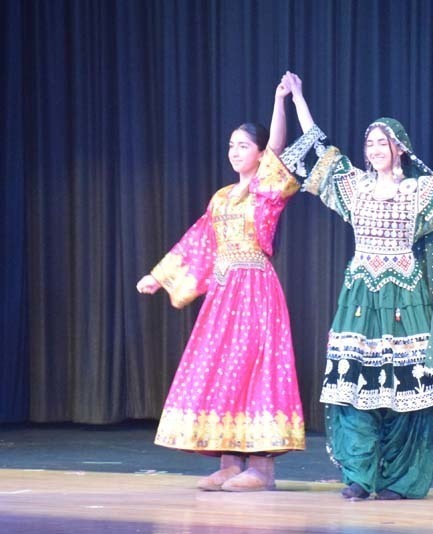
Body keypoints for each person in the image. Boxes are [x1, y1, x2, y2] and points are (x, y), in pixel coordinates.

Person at [278, 72, 433, 500]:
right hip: (360, 296)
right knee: (354, 386)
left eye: (381, 143)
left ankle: (401, 480)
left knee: (408, 392)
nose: (373, 150)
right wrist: (296, 98)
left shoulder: (420, 191)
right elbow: (319, 147)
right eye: (369, 143)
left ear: (399, 148)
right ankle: (359, 475)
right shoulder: (353, 185)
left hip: (406, 296)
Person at [136, 76, 311, 492]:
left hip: (256, 290)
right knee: (224, 370)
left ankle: (262, 469)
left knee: (256, 369)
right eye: (231, 145)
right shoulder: (221, 197)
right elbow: (199, 241)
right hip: (224, 294)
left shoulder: (267, 189)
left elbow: (277, 149)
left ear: (260, 153)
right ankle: (230, 463)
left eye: (243, 146)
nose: (234, 152)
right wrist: (159, 277)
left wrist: (281, 101)